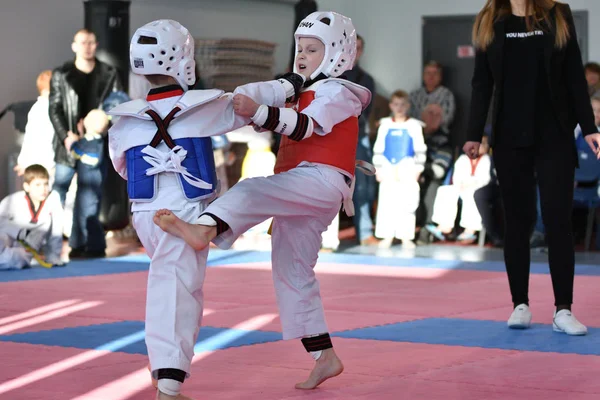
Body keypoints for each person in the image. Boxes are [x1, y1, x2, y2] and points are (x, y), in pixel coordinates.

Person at [153, 11, 371, 390]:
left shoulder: (338, 91)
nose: (301, 56)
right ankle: (325, 356)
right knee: (292, 271)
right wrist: (251, 112)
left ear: (337, 52)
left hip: (321, 181)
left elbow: (306, 126)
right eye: (299, 48)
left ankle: (204, 229)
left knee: (253, 188)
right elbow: (280, 119)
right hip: (301, 188)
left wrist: (259, 112)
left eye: (312, 49)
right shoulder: (300, 94)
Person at [107, 19, 304, 400]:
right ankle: (168, 382)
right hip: (180, 210)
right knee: (177, 289)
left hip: (144, 211)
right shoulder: (201, 107)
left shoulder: (124, 119)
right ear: (184, 59)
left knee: (170, 281)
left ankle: (163, 366)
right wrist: (290, 85)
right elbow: (244, 104)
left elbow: (122, 165)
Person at [465, 0, 600, 335]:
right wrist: (472, 134)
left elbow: (574, 75)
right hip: (509, 136)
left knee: (557, 218)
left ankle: (563, 309)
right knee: (518, 220)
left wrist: (590, 127)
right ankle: (520, 304)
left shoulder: (558, 14)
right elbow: (482, 83)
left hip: (554, 133)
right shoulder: (489, 20)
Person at [49, 28, 122, 259]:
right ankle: (48, 241)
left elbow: (118, 104)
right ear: (74, 46)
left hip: (94, 142)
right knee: (57, 193)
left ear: (96, 44)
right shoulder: (61, 73)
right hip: (67, 144)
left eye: (91, 42)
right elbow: (55, 109)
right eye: (82, 42)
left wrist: (100, 124)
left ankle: (86, 244)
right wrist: (66, 137)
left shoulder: (108, 73)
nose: (87, 47)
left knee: (89, 196)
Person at [373, 90, 426, 249]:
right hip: (388, 168)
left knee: (407, 203)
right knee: (387, 203)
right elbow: (378, 148)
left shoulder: (414, 126)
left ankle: (405, 236)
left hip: (408, 168)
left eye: (403, 104)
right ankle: (387, 235)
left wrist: (418, 169)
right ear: (391, 106)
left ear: (408, 106)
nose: (399, 107)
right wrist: (378, 169)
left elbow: (420, 148)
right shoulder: (385, 125)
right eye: (396, 104)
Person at [0, 165, 64, 269]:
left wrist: (53, 256)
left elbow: (56, 231)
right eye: (37, 185)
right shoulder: (13, 200)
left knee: (19, 258)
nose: (43, 189)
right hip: (7, 239)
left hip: (26, 249)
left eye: (45, 184)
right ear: (27, 186)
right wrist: (18, 232)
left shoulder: (53, 200)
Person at [15, 71, 56, 177]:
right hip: (47, 164)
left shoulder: (37, 108)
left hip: (39, 163)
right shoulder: (47, 109)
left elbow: (29, 138)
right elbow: (45, 139)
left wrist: (23, 161)